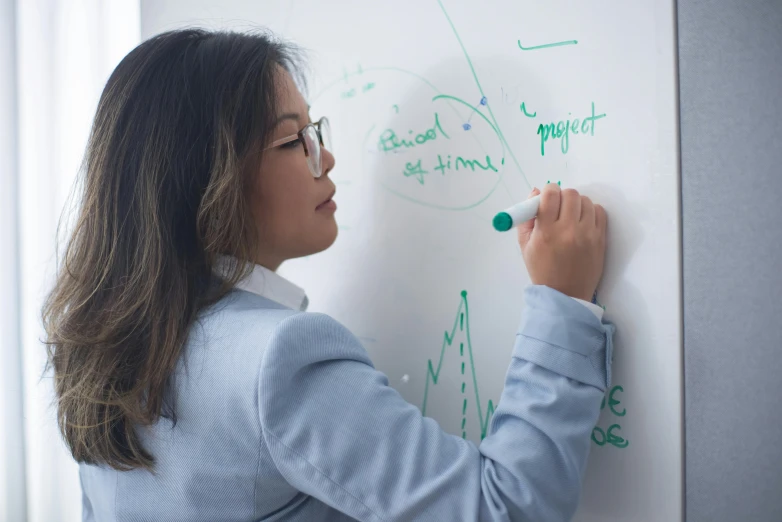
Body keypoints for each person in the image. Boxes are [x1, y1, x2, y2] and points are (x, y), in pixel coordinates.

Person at [43, 28, 614, 522]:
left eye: (316, 131)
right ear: (207, 176)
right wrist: (561, 302)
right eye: (295, 140)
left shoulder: (102, 348)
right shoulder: (280, 358)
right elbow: (503, 509)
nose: (327, 158)